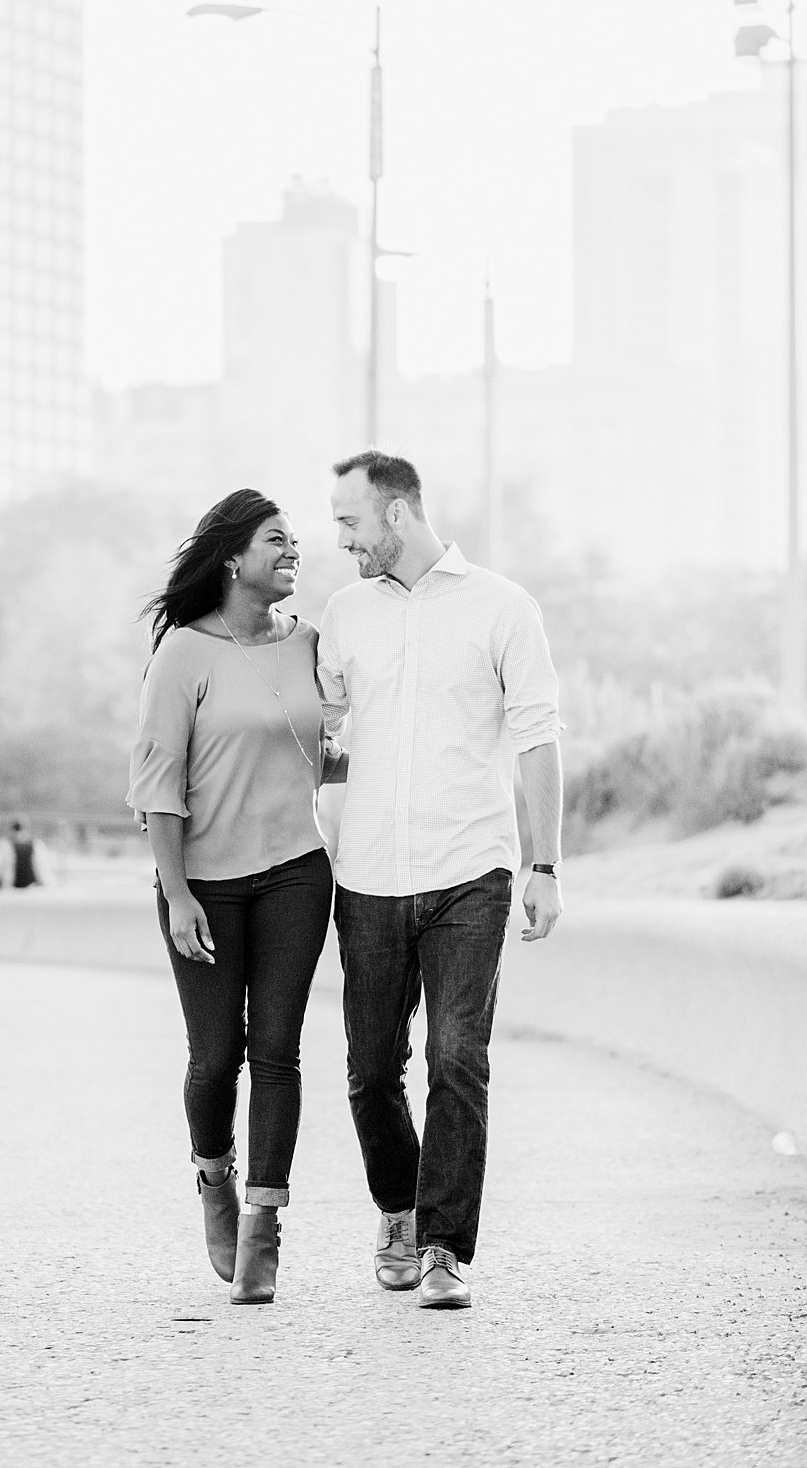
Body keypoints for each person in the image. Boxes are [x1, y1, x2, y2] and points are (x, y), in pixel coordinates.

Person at [318, 449, 563, 1312]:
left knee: (458, 1055)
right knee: (369, 1069)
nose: (338, 537)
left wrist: (545, 864)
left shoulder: (502, 607)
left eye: (348, 520)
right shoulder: (343, 616)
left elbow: (537, 737)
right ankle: (399, 1206)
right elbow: (314, 731)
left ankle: (444, 1247)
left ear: (394, 514)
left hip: (472, 871)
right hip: (371, 877)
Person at [127, 489, 345, 1306]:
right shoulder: (183, 654)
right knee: (216, 1055)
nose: (294, 552)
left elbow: (310, 754)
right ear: (231, 557)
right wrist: (176, 892)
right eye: (276, 540)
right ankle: (214, 1175)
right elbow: (158, 784)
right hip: (205, 884)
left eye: (296, 542)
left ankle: (263, 1227)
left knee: (278, 1048)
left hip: (295, 869)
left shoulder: (310, 643)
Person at [0, 817, 51, 936]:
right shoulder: (36, 843)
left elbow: (2, 867)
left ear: (12, 829)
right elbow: (42, 867)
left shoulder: (6, 843)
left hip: (12, 882)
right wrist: (46, 883)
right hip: (31, 881)